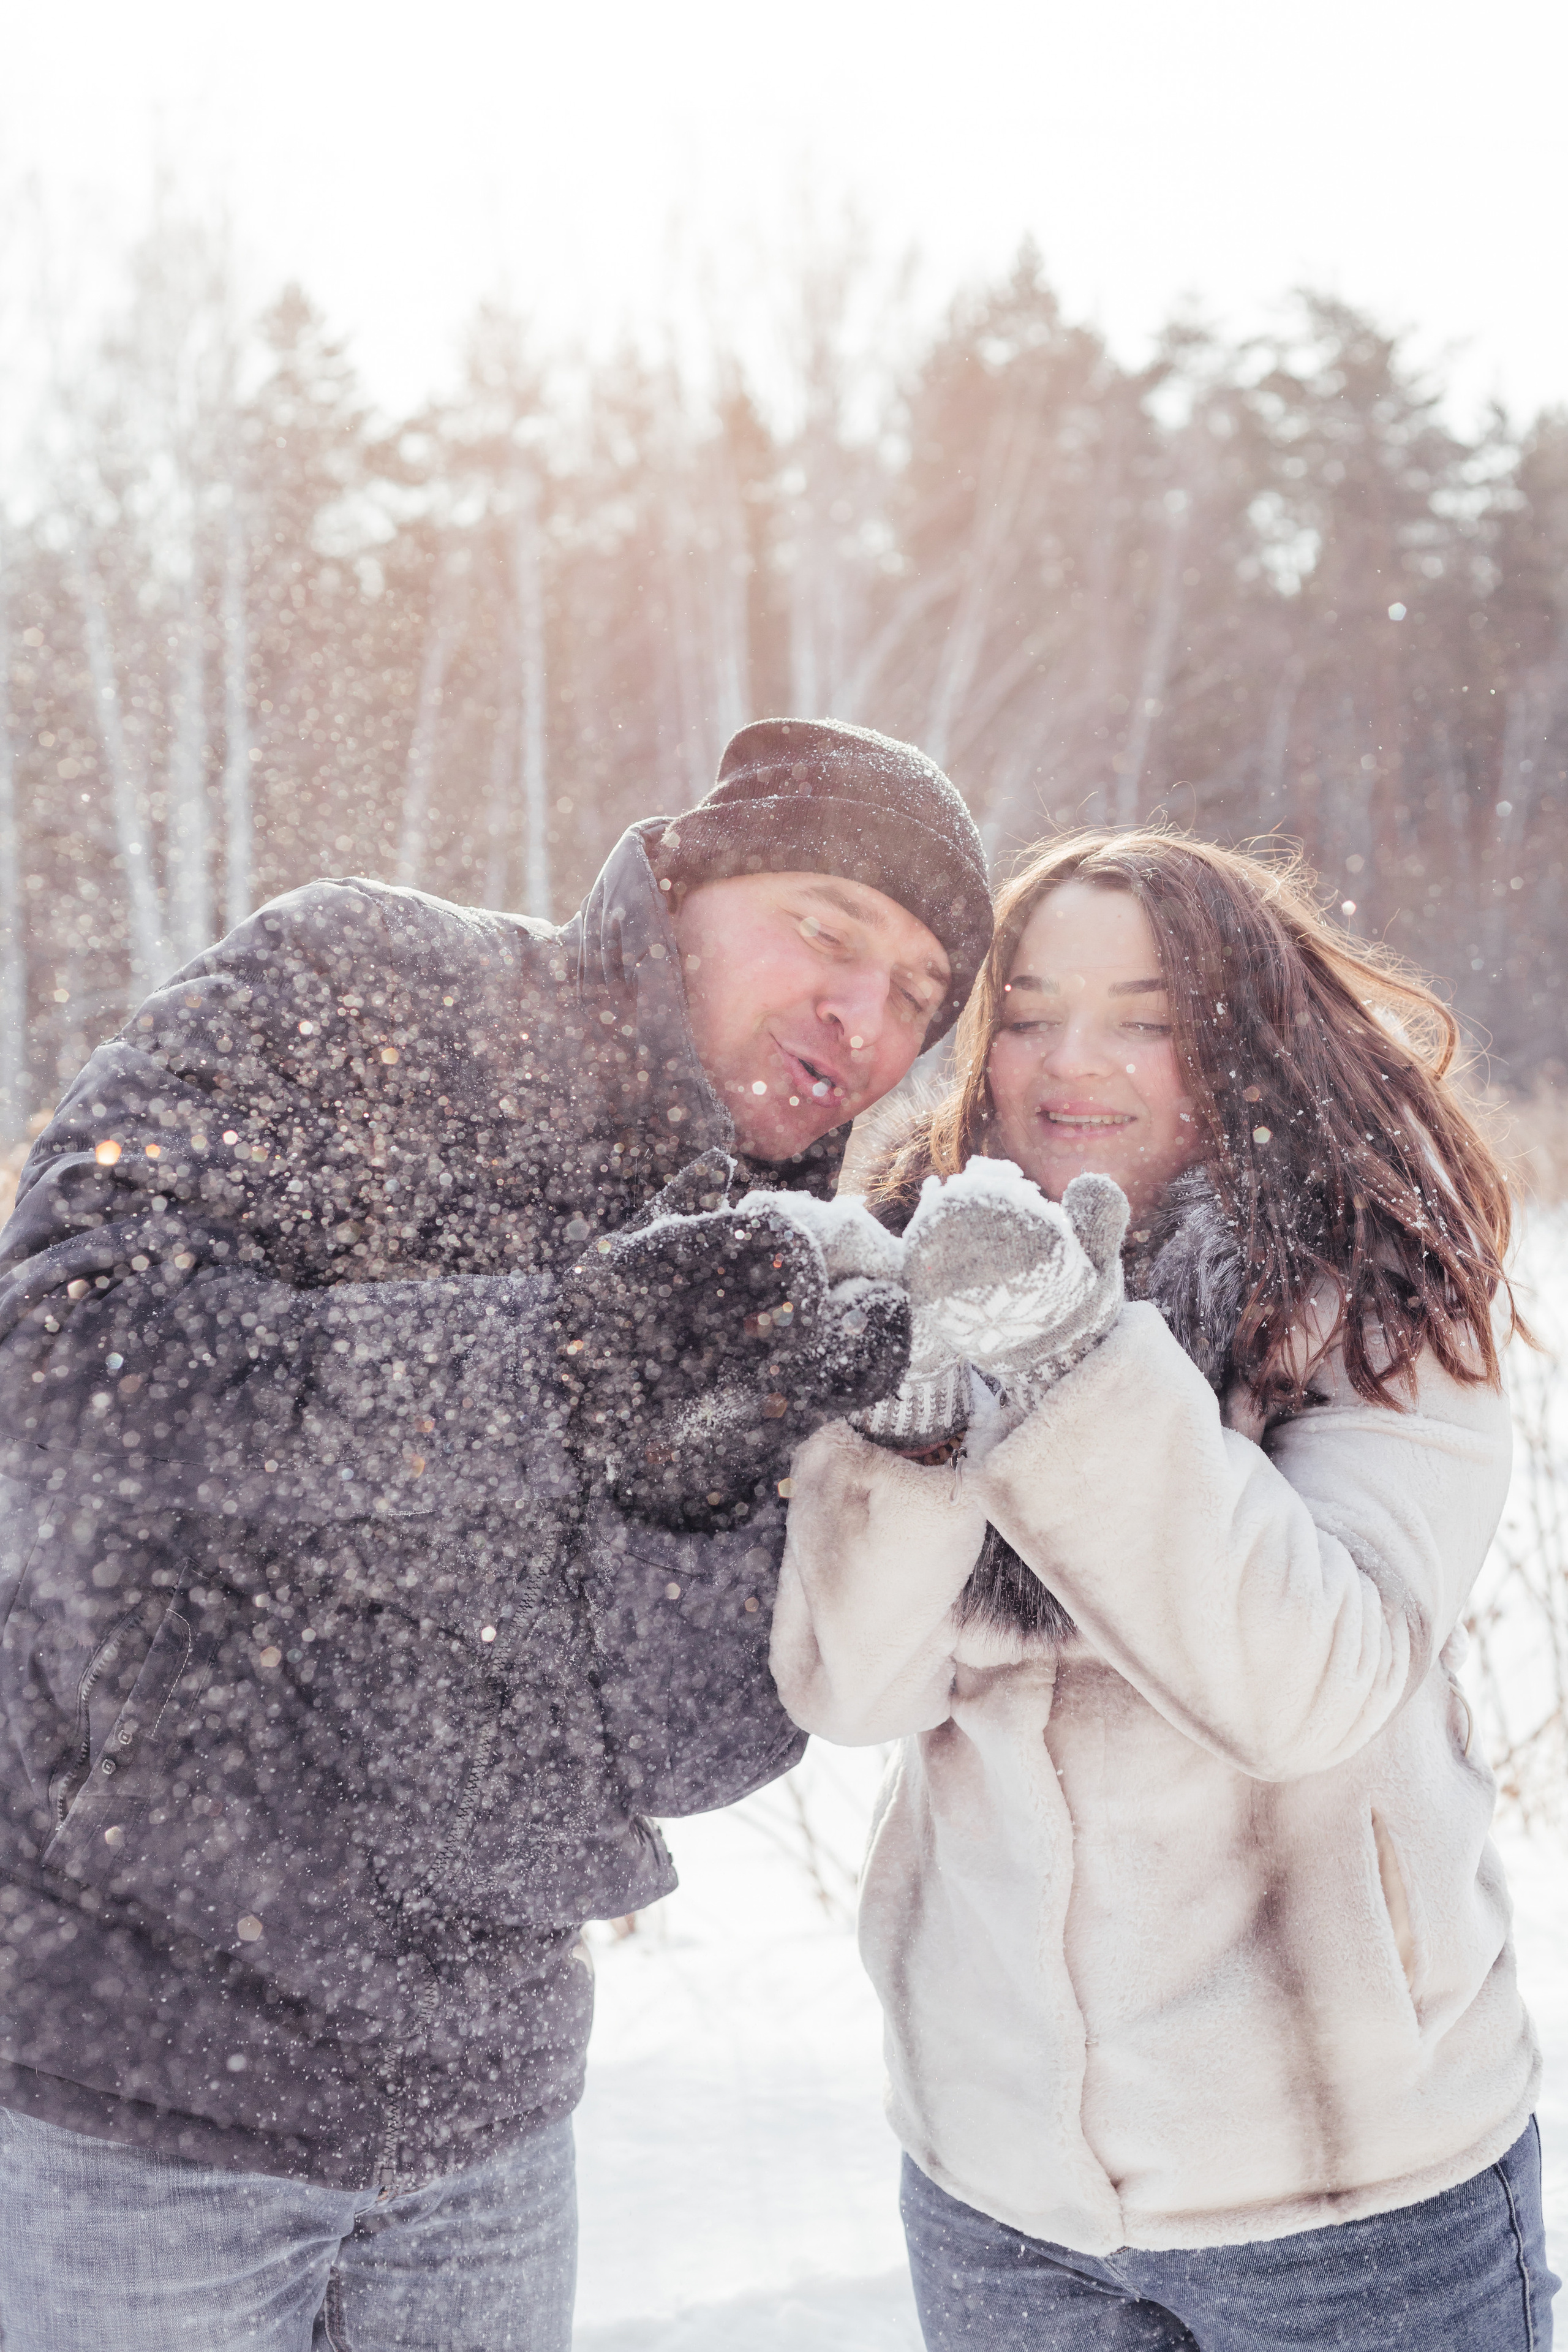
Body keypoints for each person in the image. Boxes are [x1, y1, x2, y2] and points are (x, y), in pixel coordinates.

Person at [0, 715, 993, 2351]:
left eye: (919, 997)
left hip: (487, 2132)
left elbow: (688, 1755)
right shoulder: (366, 980)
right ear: (682, 880)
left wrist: (708, 1480)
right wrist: (567, 1357)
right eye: (829, 931)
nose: (861, 1015)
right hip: (133, 2098)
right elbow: (67, 1368)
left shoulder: (800, 1267)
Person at [771, 827, 1559, 2351]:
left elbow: (1307, 1689)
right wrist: (927, 1396)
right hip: (997, 2189)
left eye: (1146, 1017)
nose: (1072, 1063)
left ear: (1245, 1048)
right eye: (1026, 1009)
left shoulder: (1375, 1300)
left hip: (1349, 2201)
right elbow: (852, 1690)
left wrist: (1071, 1355)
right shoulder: (916, 1268)